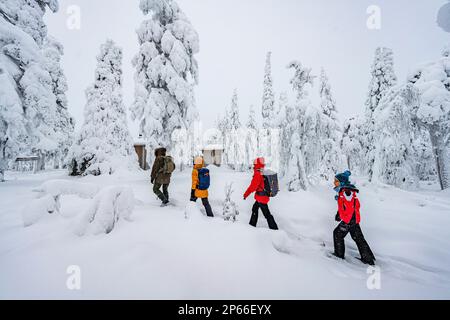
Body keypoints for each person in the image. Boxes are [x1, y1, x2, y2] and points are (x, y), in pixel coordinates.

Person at [333, 171, 376, 265]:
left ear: (341, 182)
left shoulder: (346, 192)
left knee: (337, 234)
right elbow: (353, 205)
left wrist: (342, 216)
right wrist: (339, 213)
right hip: (354, 219)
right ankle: (368, 258)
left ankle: (339, 255)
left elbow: (349, 206)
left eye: (336, 181)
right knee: (358, 238)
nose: (334, 183)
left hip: (348, 220)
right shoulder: (347, 191)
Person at [243, 157, 278, 230]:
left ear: (257, 164)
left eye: (254, 163)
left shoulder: (258, 174)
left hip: (261, 198)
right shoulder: (261, 171)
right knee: (255, 208)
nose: (253, 165)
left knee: (267, 214)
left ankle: (274, 228)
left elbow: (252, 187)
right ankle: (252, 225)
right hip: (262, 197)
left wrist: (246, 194)